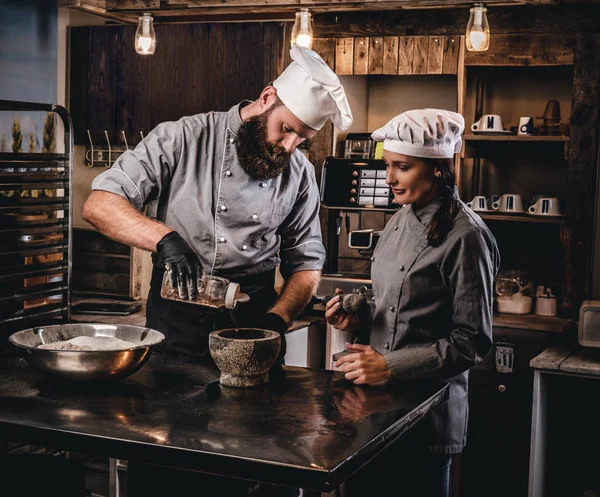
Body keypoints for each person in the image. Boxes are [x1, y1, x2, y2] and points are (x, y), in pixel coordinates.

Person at [82, 44, 352, 497]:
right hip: (175, 333)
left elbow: (306, 264)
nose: (288, 147)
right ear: (267, 98)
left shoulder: (300, 174)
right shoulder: (184, 137)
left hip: (256, 337)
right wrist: (164, 240)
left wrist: (275, 321)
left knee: (253, 468)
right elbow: (99, 203)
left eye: (301, 139)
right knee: (169, 465)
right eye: (286, 129)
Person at [325, 109, 500, 497]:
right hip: (374, 411)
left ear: (437, 169)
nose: (389, 178)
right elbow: (394, 303)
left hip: (424, 418)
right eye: (387, 166)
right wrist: (356, 317)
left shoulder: (465, 236)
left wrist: (389, 364)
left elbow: (471, 341)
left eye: (401, 167)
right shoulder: (400, 218)